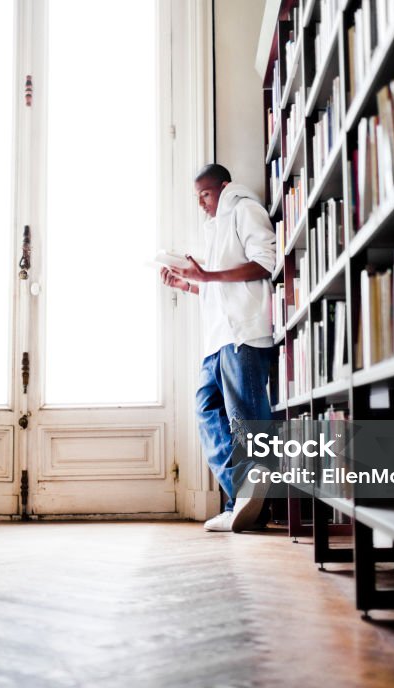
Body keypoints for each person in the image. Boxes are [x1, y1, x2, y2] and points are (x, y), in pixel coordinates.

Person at [161, 163, 277, 532]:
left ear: (224, 186)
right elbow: (220, 287)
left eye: (206, 194)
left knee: (247, 422)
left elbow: (265, 263)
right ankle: (244, 498)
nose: (201, 204)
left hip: (243, 334)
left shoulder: (245, 209)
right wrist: (189, 284)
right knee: (207, 411)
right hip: (216, 339)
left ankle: (248, 506)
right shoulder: (214, 227)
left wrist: (207, 275)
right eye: (197, 198)